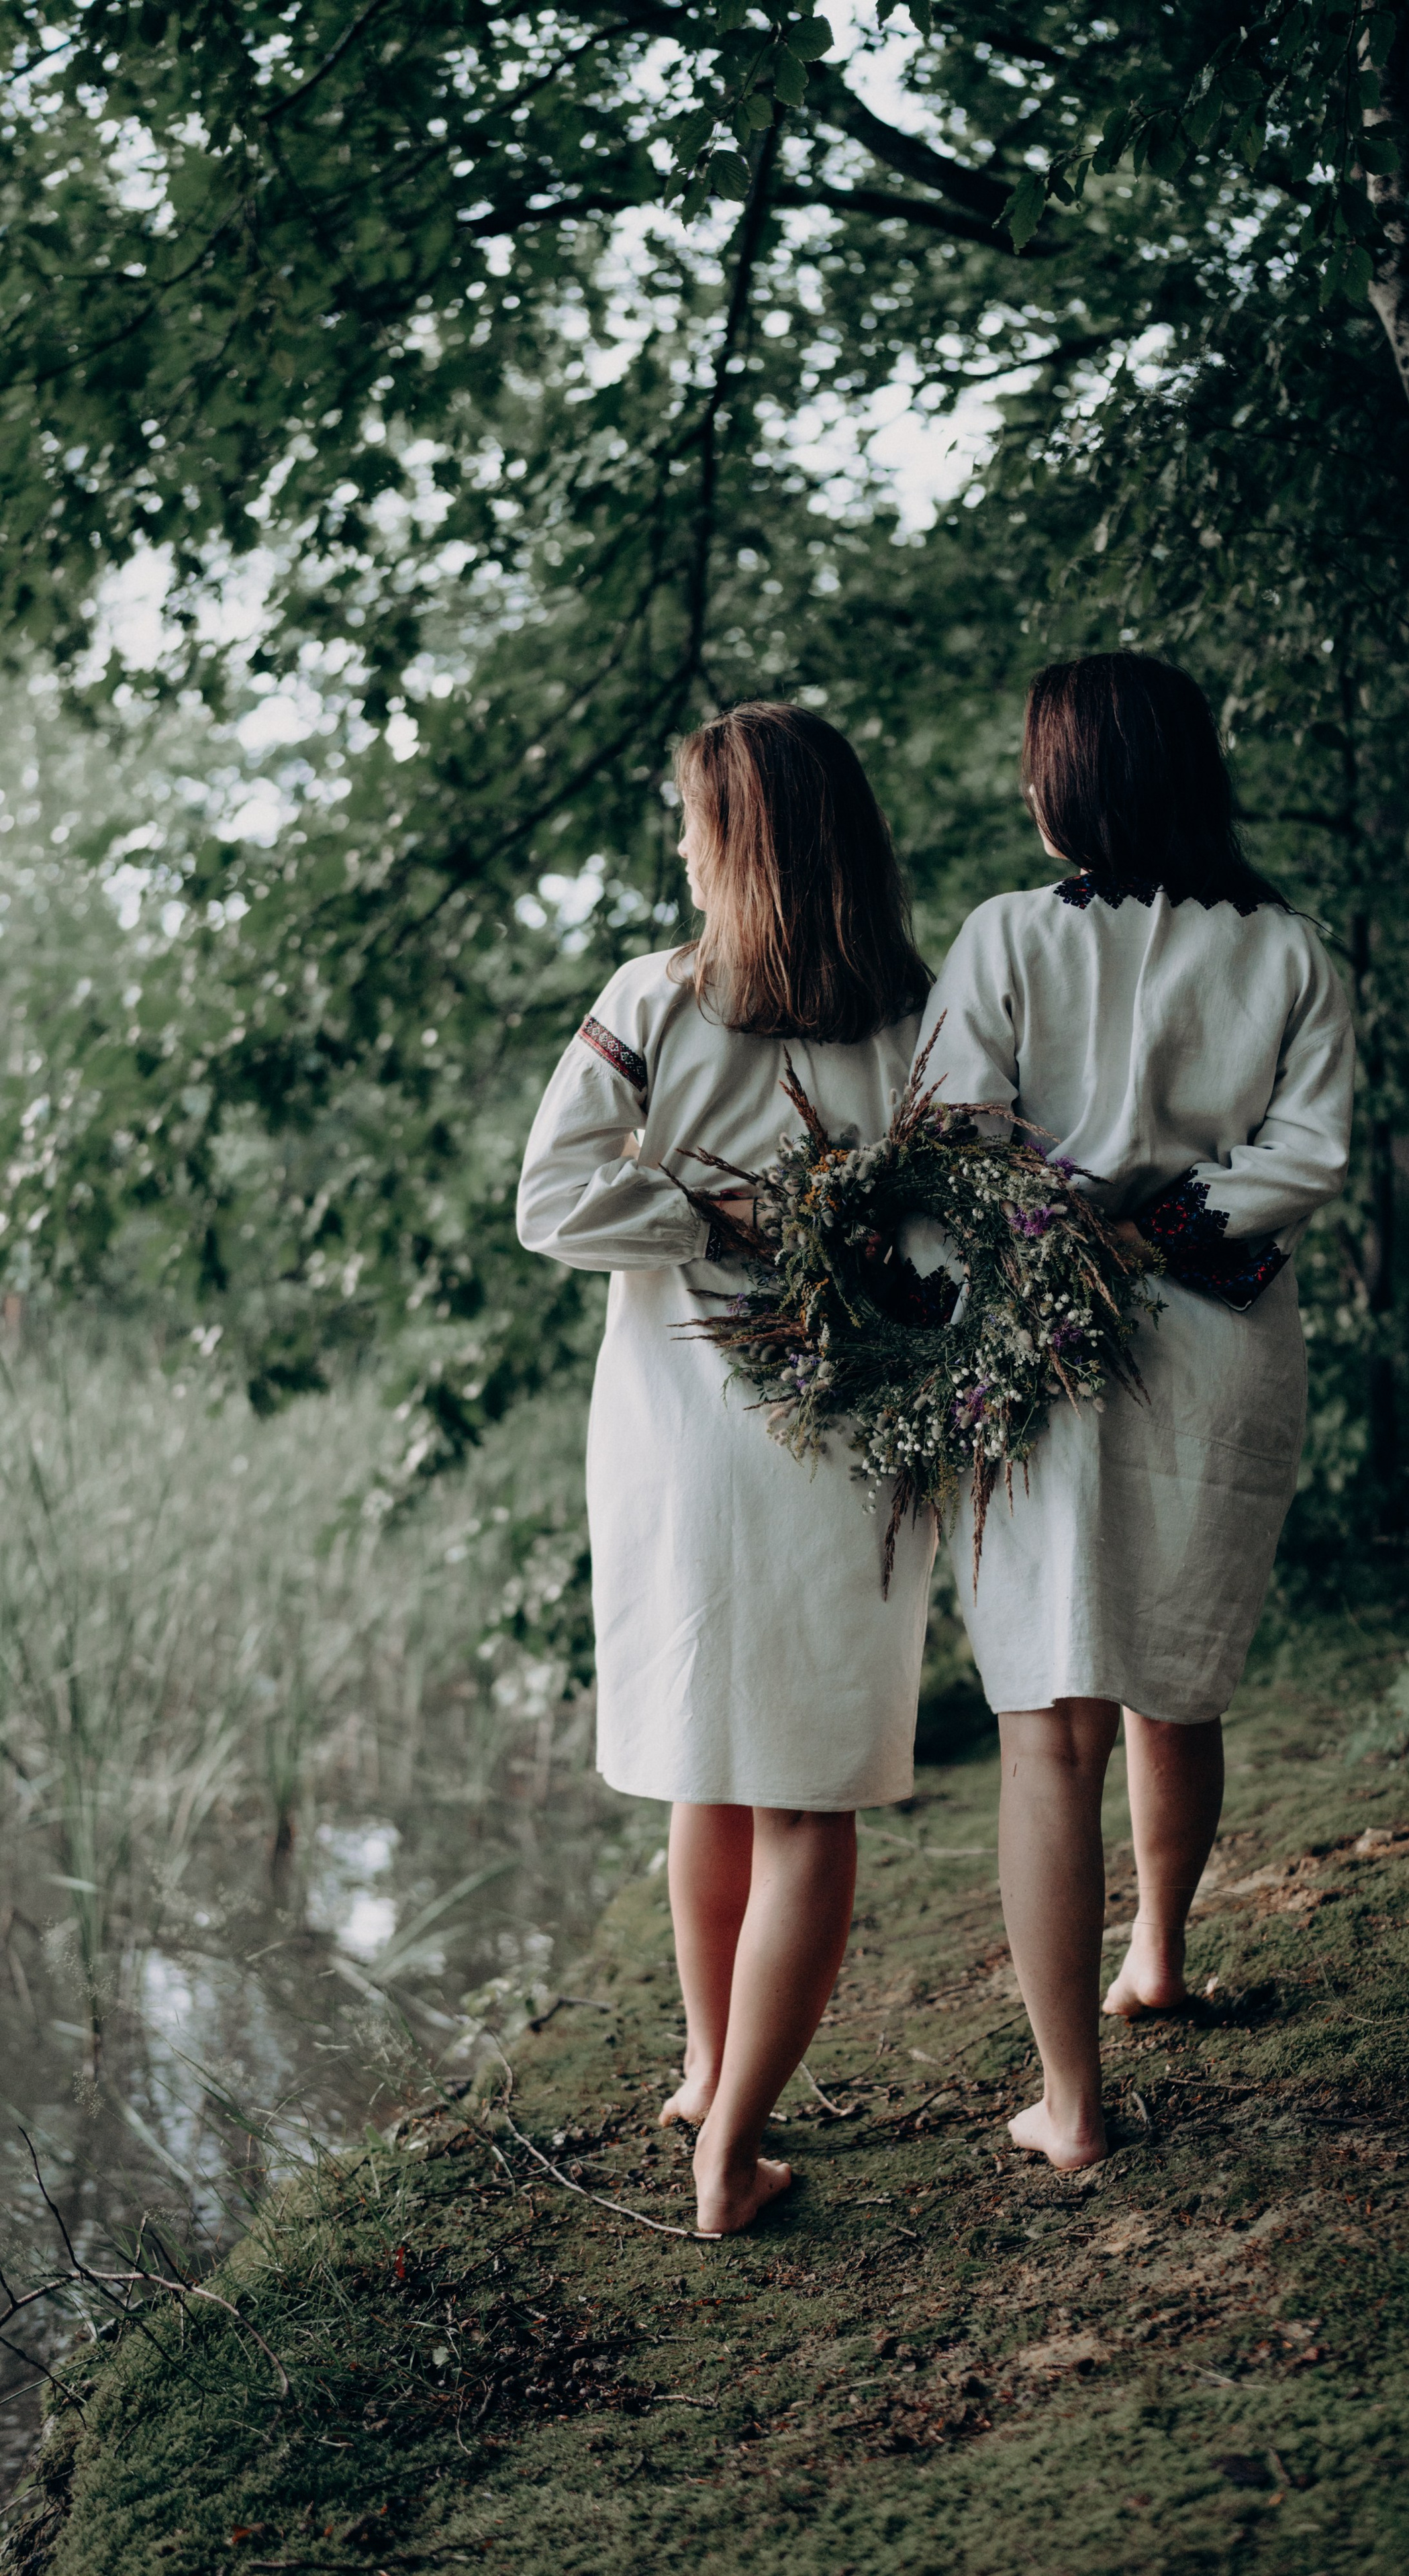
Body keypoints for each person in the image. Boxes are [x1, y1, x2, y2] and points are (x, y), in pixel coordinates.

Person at [920, 651, 1355, 2171]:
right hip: (1221, 1341)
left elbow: (948, 1149)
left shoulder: (1004, 938)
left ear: (1067, 783)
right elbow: (1305, 1161)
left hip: (1048, 1354)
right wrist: (1169, 1217)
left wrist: (1059, 1227)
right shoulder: (1290, 948)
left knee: (1051, 1726)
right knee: (1179, 1676)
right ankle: (1156, 1950)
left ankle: (1072, 2099)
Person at [516, 703, 936, 2234]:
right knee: (797, 1788)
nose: (680, 845)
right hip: (837, 1433)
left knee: (716, 1758)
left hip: (688, 1432)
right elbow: (957, 1231)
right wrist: (805, 1238)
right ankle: (723, 2113)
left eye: (694, 820)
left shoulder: (658, 998)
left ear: (740, 840)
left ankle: (721, 2109)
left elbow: (554, 1198)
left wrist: (697, 1218)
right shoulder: (920, 1013)